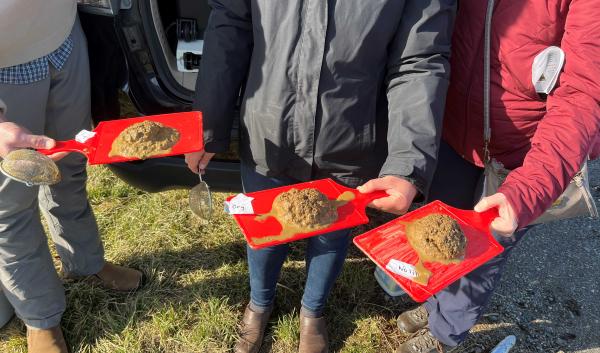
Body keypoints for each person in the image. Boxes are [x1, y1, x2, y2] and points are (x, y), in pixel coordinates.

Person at [185, 1, 456, 352]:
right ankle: (260, 302)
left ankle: (312, 312)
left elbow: (419, 59)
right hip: (270, 128)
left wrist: (409, 162)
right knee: (264, 230)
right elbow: (231, 26)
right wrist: (207, 122)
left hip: (349, 138)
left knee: (331, 234)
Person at [359, 1, 600, 352]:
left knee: (482, 258)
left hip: (522, 159)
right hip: (455, 135)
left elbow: (582, 95)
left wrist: (528, 188)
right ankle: (433, 303)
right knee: (439, 234)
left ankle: (445, 332)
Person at [0, 1, 144, 352]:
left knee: (69, 170)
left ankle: (84, 262)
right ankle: (40, 317)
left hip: (64, 41)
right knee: (11, 207)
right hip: (5, 69)